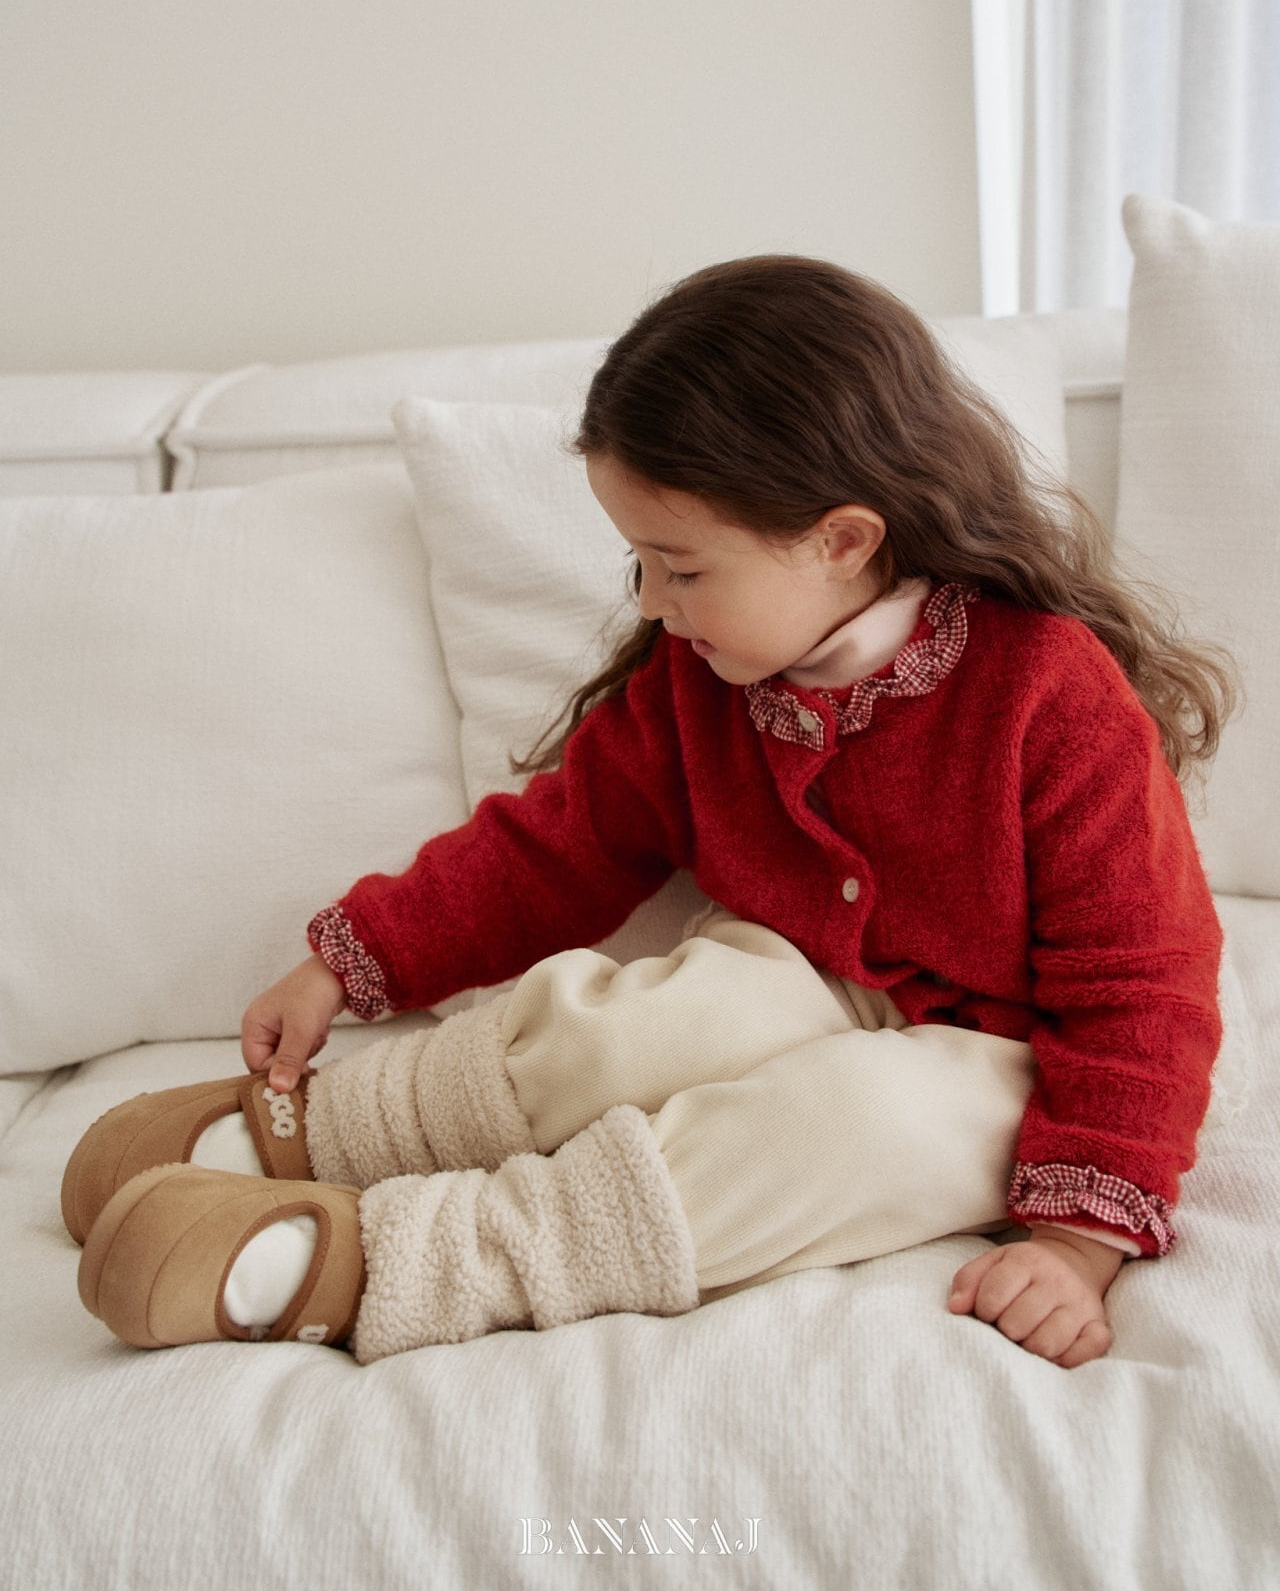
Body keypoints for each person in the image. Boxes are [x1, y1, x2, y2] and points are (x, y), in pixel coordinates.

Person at [64, 256, 1239, 1371]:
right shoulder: (700, 683)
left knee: (852, 1122)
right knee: (643, 1022)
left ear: (840, 542)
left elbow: (1142, 981)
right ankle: (320, 1135)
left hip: (1024, 1056)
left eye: (680, 568)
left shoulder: (1048, 694)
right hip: (811, 977)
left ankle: (402, 1260)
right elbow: (556, 846)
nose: (652, 604)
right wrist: (351, 958)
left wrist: (1075, 1246)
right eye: (639, 563)